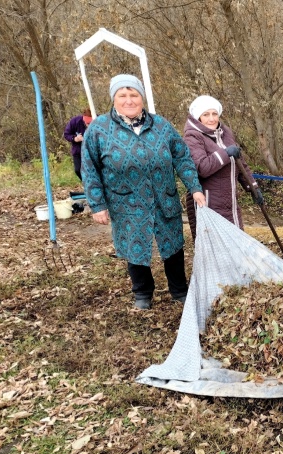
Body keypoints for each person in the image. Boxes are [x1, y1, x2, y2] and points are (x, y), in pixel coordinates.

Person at [81, 74, 206, 310]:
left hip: (163, 197)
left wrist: (195, 187)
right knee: (134, 246)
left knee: (173, 245)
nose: (129, 100)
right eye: (122, 95)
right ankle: (142, 292)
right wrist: (97, 204)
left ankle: (179, 289)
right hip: (125, 202)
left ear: (142, 98)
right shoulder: (98, 129)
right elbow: (89, 169)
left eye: (134, 95)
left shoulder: (161, 126)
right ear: (114, 99)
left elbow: (183, 158)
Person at [182, 95, 264, 242]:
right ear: (198, 117)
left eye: (214, 114)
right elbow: (202, 168)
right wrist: (225, 153)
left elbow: (240, 163)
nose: (212, 119)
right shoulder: (193, 137)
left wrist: (253, 187)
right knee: (216, 247)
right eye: (206, 114)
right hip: (209, 203)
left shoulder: (225, 133)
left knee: (236, 244)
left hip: (230, 202)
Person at [64, 108, 93, 180]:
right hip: (78, 151)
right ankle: (87, 184)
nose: (89, 125)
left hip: (93, 151)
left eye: (91, 123)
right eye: (87, 123)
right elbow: (66, 134)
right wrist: (75, 138)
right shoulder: (75, 121)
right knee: (78, 170)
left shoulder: (98, 120)